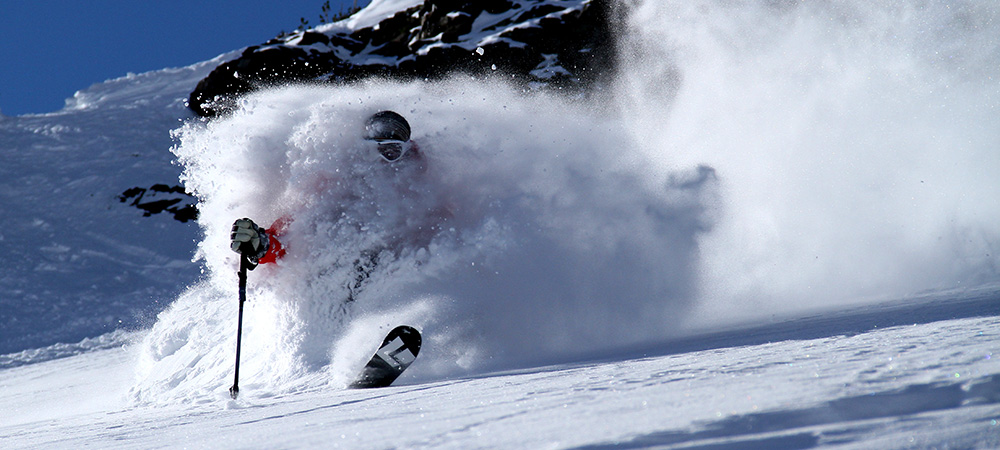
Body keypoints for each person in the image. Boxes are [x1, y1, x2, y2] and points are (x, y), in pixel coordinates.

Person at [229, 110, 420, 275]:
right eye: (371, 150)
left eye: (391, 151)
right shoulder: (337, 186)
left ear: (407, 152)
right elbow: (291, 236)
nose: (381, 160)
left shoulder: (427, 193)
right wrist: (262, 246)